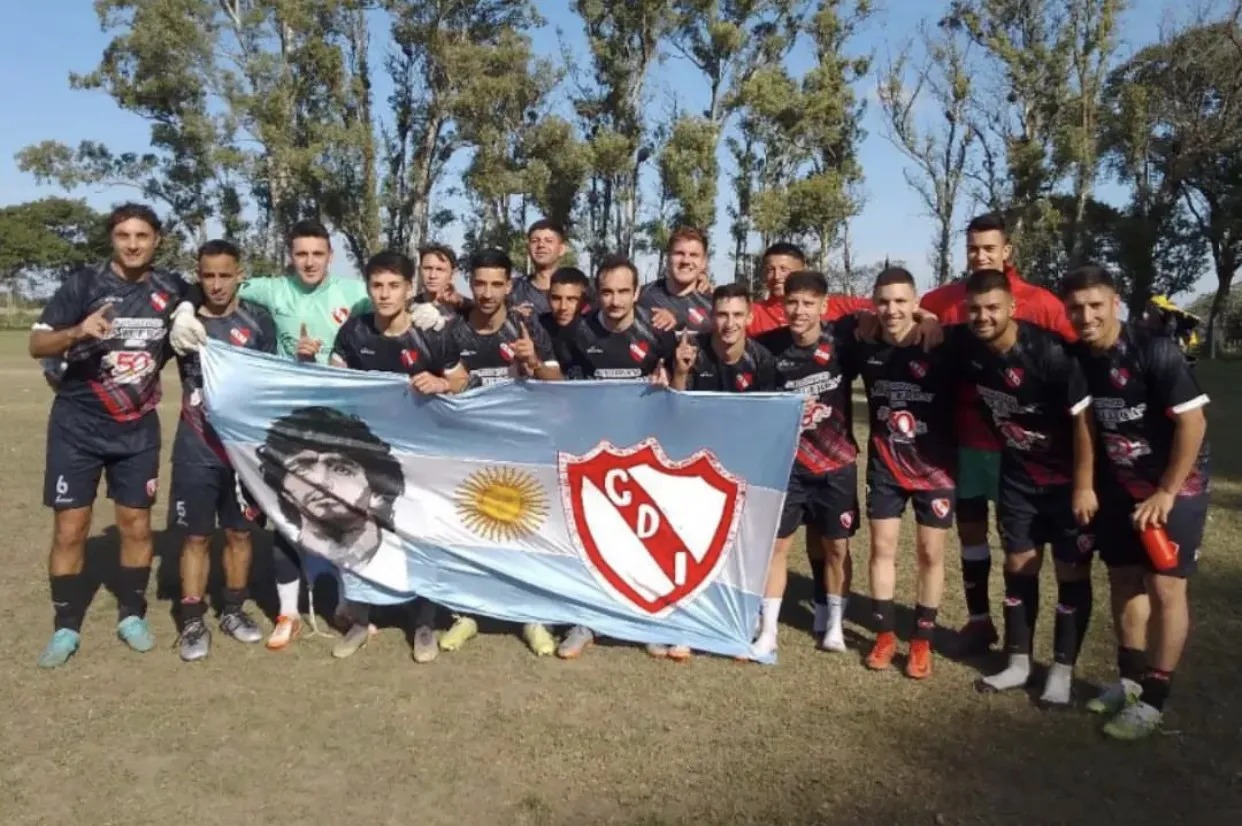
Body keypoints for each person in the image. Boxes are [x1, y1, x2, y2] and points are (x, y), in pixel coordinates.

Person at [171, 219, 442, 651]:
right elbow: (209, 282)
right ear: (290, 256)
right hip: (288, 420)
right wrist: (185, 308)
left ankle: (351, 605)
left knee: (347, 510)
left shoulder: (353, 292)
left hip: (344, 420)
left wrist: (432, 308)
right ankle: (288, 611)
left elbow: (394, 297)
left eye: (317, 254)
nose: (309, 261)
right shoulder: (270, 289)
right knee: (288, 513)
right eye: (301, 254)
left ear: (330, 256)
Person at [30, 202, 190, 668]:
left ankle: (131, 615)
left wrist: (186, 314)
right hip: (76, 427)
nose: (134, 244)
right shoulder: (84, 283)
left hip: (137, 429)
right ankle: (65, 626)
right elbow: (37, 342)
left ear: (157, 239)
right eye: (124, 236)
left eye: (142, 235)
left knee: (136, 525)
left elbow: (219, 295)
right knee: (70, 528)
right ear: (113, 239)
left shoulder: (172, 289)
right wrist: (76, 331)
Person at [1061, 265, 1210, 739]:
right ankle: (1128, 681)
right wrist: (1087, 484)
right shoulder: (1078, 358)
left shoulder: (1154, 350)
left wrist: (1166, 492)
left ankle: (1155, 697)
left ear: (1116, 302)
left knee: (1166, 587)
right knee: (1124, 580)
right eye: (1077, 307)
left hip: (1174, 487)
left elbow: (1194, 424)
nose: (1086, 316)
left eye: (1095, 305)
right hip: (1119, 487)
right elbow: (1084, 424)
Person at [920, 213, 1075, 656]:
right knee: (971, 532)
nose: (981, 255)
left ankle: (1020, 640)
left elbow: (1076, 354)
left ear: (1008, 250)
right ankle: (978, 620)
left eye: (990, 248)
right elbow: (914, 309)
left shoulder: (1041, 302)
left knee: (1019, 546)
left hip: (1021, 450)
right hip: (964, 440)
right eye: (973, 248)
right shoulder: (948, 297)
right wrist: (924, 315)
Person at [947, 269, 1096, 704]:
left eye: (993, 308)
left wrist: (1085, 486)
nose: (983, 317)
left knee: (1071, 570)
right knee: (1019, 564)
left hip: (1067, 481)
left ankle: (1063, 671)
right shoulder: (968, 348)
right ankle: (1018, 663)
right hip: (1018, 476)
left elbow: (1084, 421)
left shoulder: (1050, 353)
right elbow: (922, 329)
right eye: (974, 309)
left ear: (1013, 307)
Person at [328, 250, 469, 661]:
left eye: (394, 286)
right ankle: (360, 619)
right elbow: (333, 380)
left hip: (422, 454)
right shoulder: (354, 332)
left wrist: (442, 386)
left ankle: (424, 623)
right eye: (377, 286)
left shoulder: (434, 332)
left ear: (410, 289)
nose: (385, 294)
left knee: (418, 533)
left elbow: (463, 380)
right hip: (367, 452)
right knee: (361, 531)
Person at [437, 248, 562, 656]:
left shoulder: (526, 327)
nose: (487, 293)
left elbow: (557, 384)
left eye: (496, 284)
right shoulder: (452, 331)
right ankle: (466, 613)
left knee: (527, 531)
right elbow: (450, 385)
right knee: (470, 532)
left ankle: (533, 617)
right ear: (469, 285)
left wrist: (535, 363)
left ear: (510, 285)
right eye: (479, 283)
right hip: (469, 449)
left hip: (522, 449)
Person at [170, 240, 278, 662]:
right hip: (195, 444)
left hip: (243, 449)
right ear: (199, 276)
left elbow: (271, 378)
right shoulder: (182, 321)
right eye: (207, 276)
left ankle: (233, 610)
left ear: (239, 276)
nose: (216, 284)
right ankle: (193, 619)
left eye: (224, 275)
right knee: (196, 536)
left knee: (239, 533)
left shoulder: (257, 322)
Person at [848, 267, 955, 679]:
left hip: (936, 467)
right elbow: (837, 314)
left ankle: (921, 641)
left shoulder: (940, 342)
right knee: (882, 549)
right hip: (886, 463)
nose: (891, 309)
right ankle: (885, 633)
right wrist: (862, 316)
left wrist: (931, 319)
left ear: (915, 303)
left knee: (930, 554)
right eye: (883, 301)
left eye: (900, 301)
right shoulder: (865, 347)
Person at [756, 271, 863, 655]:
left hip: (837, 464)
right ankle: (768, 630)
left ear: (823, 305)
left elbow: (882, 322)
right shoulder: (769, 349)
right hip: (790, 468)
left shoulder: (843, 345)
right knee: (777, 547)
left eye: (807, 303)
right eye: (792, 303)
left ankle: (834, 625)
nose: (798, 311)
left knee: (836, 547)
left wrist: (925, 319)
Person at [746, 242, 872, 338]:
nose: (777, 276)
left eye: (784, 269)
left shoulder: (832, 304)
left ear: (802, 270)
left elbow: (881, 305)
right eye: (770, 270)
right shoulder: (752, 313)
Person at [639, 227, 715, 334]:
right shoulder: (643, 295)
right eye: (679, 253)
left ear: (704, 262)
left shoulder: (714, 304)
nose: (686, 260)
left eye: (694, 255)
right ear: (668, 257)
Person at [509, 219, 569, 317]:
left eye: (549, 241)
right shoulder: (512, 289)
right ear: (528, 248)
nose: (541, 245)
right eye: (535, 241)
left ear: (561, 249)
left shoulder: (581, 291)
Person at [412, 243, 469, 320]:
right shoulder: (406, 309)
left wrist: (461, 302)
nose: (432, 276)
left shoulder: (465, 311)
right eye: (427, 268)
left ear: (452, 274)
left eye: (440, 270)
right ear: (419, 271)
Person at [536, 266, 592, 342]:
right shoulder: (537, 327)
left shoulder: (595, 331)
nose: (563, 307)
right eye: (556, 298)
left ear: (584, 300)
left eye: (571, 299)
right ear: (548, 297)